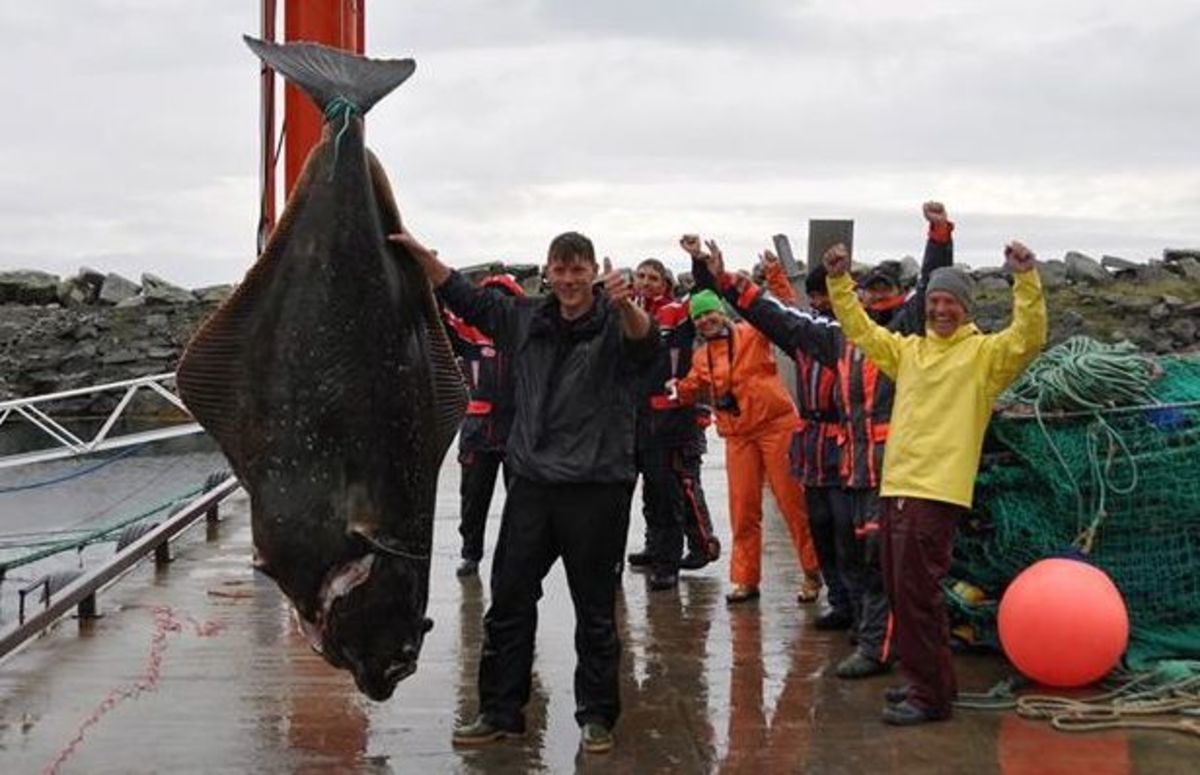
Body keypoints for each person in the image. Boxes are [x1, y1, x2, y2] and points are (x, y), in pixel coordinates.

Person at [389, 228, 657, 754]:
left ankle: (597, 716)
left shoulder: (612, 323)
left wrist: (627, 307)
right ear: (548, 272)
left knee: (596, 612)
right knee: (508, 604)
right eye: (559, 269)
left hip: (596, 489)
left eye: (579, 269)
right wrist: (424, 256)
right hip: (533, 486)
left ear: (591, 274)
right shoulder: (525, 318)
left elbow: (647, 349)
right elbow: (466, 298)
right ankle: (499, 711)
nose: (569, 279)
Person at [824, 237, 1047, 725]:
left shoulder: (985, 356)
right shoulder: (909, 352)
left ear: (966, 308)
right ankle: (927, 682)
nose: (941, 309)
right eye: (935, 302)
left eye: (950, 302)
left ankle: (932, 698)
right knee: (901, 592)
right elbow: (860, 331)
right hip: (898, 486)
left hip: (936, 492)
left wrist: (1026, 280)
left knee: (918, 595)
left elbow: (1028, 337)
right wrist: (840, 283)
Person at [668, 250, 822, 605]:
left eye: (710, 313)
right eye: (700, 316)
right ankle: (745, 579)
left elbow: (786, 312)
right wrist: (676, 390)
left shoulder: (752, 333)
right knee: (743, 509)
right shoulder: (700, 356)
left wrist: (774, 273)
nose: (706, 320)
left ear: (722, 313)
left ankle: (813, 572)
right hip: (738, 436)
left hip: (777, 427)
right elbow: (691, 385)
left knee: (793, 503)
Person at [627, 257, 720, 590]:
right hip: (633, 416)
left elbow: (708, 297)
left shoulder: (677, 312)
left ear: (665, 282)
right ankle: (654, 548)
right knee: (646, 492)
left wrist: (699, 261)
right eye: (641, 276)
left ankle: (669, 563)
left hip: (669, 416)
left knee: (669, 490)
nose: (646, 282)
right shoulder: (626, 310)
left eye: (654, 277)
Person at [441, 272, 524, 578]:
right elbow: (440, 321)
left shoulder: (525, 331)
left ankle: (515, 555)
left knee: (521, 501)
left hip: (517, 429)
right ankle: (470, 553)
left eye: (504, 293)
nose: (497, 299)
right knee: (473, 499)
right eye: (491, 293)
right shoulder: (468, 330)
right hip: (478, 430)